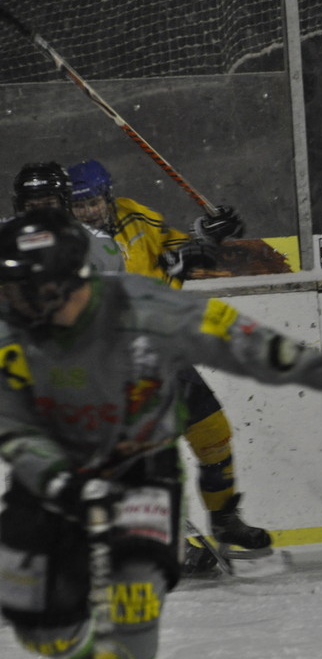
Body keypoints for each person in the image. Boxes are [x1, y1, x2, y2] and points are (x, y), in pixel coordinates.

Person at [0, 207, 322, 659]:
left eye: (16, 289)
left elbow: (246, 343)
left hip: (140, 472)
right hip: (49, 477)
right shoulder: (10, 330)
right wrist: (58, 482)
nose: (8, 300)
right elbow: (13, 427)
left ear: (61, 282)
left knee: (134, 601)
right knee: (40, 626)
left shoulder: (146, 306)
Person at [64, 158, 264, 571]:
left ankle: (225, 520)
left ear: (108, 196)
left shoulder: (136, 216)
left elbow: (180, 252)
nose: (87, 211)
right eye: (78, 205)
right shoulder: (67, 243)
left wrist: (208, 234)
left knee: (213, 435)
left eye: (92, 202)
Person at [10, 162, 125, 274]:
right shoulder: (6, 242)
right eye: (32, 206)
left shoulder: (98, 247)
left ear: (65, 204)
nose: (41, 214)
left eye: (49, 204)